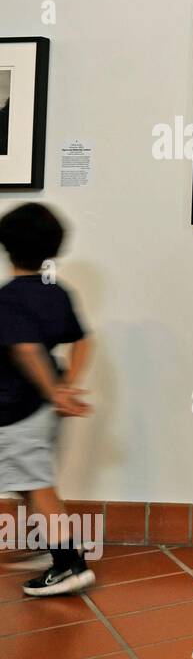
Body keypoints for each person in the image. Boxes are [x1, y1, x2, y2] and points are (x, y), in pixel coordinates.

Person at [0, 203, 96, 596]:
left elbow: (26, 349)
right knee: (29, 479)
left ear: (6, 247)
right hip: (39, 409)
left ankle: (68, 563)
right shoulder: (56, 292)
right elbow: (83, 340)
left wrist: (56, 391)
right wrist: (66, 387)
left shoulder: (8, 299)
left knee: (36, 484)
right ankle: (52, 544)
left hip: (16, 408)